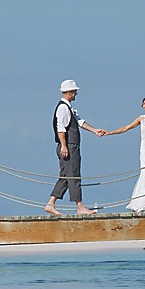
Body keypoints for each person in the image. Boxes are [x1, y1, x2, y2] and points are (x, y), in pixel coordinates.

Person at [45, 79, 107, 215]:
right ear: (68, 92)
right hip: (69, 146)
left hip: (70, 145)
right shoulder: (62, 108)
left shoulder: (69, 108)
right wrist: (64, 146)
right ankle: (80, 206)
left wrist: (95, 130)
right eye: (74, 91)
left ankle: (51, 203)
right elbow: (60, 128)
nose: (76, 94)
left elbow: (80, 121)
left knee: (66, 176)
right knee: (74, 175)